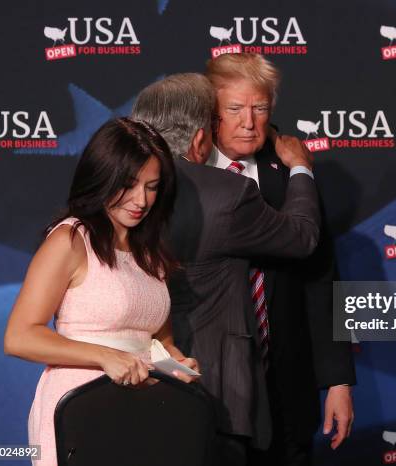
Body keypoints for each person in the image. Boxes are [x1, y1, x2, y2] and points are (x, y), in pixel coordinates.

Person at [131, 73, 321, 465]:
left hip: (129, 375)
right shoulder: (226, 192)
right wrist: (301, 168)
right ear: (202, 138)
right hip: (216, 385)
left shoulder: (117, 189)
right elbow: (302, 237)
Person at [3, 117, 199, 466]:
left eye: (152, 187)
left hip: (144, 410)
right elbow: (20, 337)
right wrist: (104, 356)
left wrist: (175, 364)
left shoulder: (150, 252)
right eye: (129, 184)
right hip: (82, 406)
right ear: (102, 175)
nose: (142, 200)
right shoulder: (70, 239)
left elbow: (159, 341)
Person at [206, 53, 357, 465]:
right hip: (208, 389)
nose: (249, 122)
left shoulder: (293, 172)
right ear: (211, 111)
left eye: (260, 108)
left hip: (287, 388)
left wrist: (338, 382)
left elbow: (321, 280)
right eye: (235, 109)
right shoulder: (186, 172)